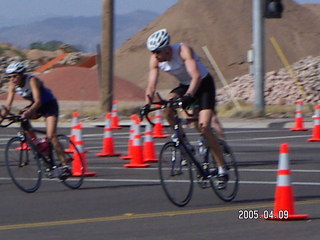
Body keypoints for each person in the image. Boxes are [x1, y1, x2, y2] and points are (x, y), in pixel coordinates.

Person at [144, 29, 228, 185]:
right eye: (153, 52)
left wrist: (189, 96)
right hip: (184, 85)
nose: (155, 55)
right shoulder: (155, 60)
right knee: (167, 104)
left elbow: (195, 76)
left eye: (157, 52)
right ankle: (183, 142)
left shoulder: (183, 50)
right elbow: (151, 85)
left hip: (203, 85)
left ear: (166, 49)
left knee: (204, 127)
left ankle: (222, 167)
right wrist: (147, 104)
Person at [0, 61, 70, 178]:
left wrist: (29, 112)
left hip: (49, 105)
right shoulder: (13, 85)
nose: (13, 79)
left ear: (22, 74)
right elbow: (7, 106)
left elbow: (38, 101)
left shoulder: (32, 80)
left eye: (15, 76)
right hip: (36, 106)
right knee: (21, 117)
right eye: (10, 77)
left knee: (51, 135)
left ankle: (65, 166)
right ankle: (39, 146)